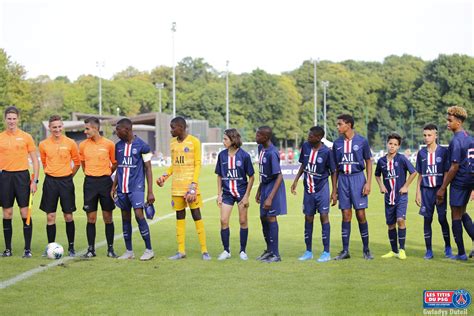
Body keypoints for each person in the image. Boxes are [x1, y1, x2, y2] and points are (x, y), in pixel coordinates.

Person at [156, 117, 210, 260]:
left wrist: (193, 185)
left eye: (173, 128)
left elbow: (198, 164)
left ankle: (205, 251)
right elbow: (174, 164)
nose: (171, 130)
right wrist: (164, 176)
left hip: (191, 188)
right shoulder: (173, 143)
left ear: (181, 127)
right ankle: (181, 251)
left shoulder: (194, 142)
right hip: (176, 188)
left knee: (196, 216)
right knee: (179, 217)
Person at [111, 118, 155, 261]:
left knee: (139, 215)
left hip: (137, 187)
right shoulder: (118, 146)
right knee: (125, 218)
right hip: (122, 188)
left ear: (127, 130)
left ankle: (149, 250)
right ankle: (129, 251)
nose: (116, 132)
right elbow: (119, 168)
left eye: (119, 130)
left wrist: (150, 191)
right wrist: (113, 186)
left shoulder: (143, 146)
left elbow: (148, 168)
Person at [291, 126, 336, 262]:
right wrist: (296, 180)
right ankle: (308, 251)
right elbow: (303, 165)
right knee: (308, 218)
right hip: (308, 190)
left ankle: (326, 252)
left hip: (322, 189)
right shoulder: (305, 147)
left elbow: (334, 171)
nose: (308, 138)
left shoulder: (327, 152)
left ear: (318, 138)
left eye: (311, 136)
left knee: (324, 217)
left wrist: (334, 191)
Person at [332, 114, 373, 260]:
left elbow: (368, 161)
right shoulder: (337, 144)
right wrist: (334, 190)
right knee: (346, 215)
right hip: (343, 179)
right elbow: (335, 168)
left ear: (348, 125)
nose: (337, 127)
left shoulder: (362, 141)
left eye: (340, 124)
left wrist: (368, 182)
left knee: (360, 214)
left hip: (358, 179)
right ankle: (345, 251)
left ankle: (366, 249)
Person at [0, 106, 39, 258]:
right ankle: (8, 249)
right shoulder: (1, 137)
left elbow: (35, 160)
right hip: (5, 178)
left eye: (14, 118)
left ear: (18, 119)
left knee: (25, 212)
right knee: (7, 213)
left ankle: (27, 249)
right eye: (9, 118)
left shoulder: (26, 137)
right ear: (5, 119)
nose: (11, 121)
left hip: (22, 177)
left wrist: (34, 180)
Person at [39, 115, 80, 257]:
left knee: (68, 216)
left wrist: (69, 176)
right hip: (50, 182)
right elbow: (44, 163)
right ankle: (50, 247)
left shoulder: (71, 143)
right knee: (50, 216)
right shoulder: (43, 144)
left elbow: (77, 163)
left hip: (66, 182)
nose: (57, 129)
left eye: (59, 126)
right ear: (49, 128)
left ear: (62, 127)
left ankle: (71, 247)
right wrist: (52, 173)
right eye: (54, 127)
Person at [436, 106, 474, 261]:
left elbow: (454, 167)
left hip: (459, 181)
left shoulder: (456, 141)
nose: (447, 122)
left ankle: (461, 253)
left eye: (450, 120)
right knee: (463, 211)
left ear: (458, 122)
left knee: (455, 214)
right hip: (470, 179)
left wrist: (442, 188)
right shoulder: (470, 138)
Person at [79, 117, 118, 258]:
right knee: (91, 218)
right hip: (90, 183)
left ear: (95, 128)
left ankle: (110, 249)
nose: (85, 132)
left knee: (108, 217)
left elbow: (115, 163)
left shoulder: (109, 144)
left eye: (87, 129)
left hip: (105, 183)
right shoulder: (83, 145)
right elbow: (83, 165)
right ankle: (91, 250)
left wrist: (106, 174)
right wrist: (91, 174)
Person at [375, 133, 417, 260]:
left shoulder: (402, 159)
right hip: (388, 197)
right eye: (390, 144)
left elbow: (413, 172)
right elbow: (377, 175)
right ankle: (393, 251)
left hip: (401, 196)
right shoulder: (381, 161)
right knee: (391, 224)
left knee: (400, 220)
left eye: (395, 145)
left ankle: (402, 249)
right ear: (387, 144)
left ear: (398, 147)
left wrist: (406, 186)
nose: (392, 146)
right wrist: (381, 186)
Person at [215, 128, 255, 261]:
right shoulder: (221, 156)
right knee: (223, 221)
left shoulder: (244, 156)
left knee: (243, 221)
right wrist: (219, 194)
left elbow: (252, 177)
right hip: (227, 193)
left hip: (241, 193)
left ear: (233, 140)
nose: (223, 141)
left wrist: (246, 196)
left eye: (225, 139)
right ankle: (226, 250)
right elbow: (220, 176)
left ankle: (243, 251)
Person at [415, 124, 452, 259]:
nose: (426, 138)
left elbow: (447, 172)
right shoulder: (421, 153)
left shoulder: (443, 152)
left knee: (442, 218)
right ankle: (429, 250)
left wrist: (443, 189)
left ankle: (448, 247)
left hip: (439, 190)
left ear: (436, 136)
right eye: (424, 135)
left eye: (429, 135)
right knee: (427, 219)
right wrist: (417, 192)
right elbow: (420, 174)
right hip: (426, 191)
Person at [255, 126, 287, 263]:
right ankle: (269, 250)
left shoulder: (272, 153)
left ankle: (276, 254)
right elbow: (263, 172)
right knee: (263, 217)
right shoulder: (260, 149)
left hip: (273, 188)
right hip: (265, 186)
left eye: (258, 135)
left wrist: (270, 197)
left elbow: (279, 176)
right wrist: (259, 190)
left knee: (271, 218)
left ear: (266, 137)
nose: (256, 137)